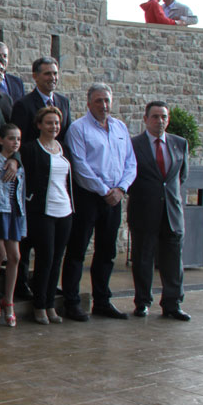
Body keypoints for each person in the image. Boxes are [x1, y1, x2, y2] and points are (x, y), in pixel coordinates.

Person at [63, 83, 137, 321]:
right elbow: (80, 166)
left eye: (107, 100)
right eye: (98, 101)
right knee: (77, 250)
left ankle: (102, 301)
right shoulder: (78, 129)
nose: (104, 105)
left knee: (107, 251)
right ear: (88, 103)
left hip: (115, 197)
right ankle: (72, 302)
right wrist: (105, 190)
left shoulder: (120, 127)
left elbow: (131, 162)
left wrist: (121, 189)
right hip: (89, 197)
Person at [128, 101, 191, 320]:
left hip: (171, 212)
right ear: (145, 119)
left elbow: (180, 177)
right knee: (143, 259)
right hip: (144, 211)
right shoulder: (134, 145)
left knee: (173, 260)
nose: (160, 121)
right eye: (155, 117)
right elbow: (130, 176)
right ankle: (143, 302)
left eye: (163, 117)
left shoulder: (180, 144)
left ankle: (173, 304)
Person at [20, 106, 73, 326]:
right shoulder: (31, 149)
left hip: (65, 209)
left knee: (57, 259)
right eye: (49, 123)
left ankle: (51, 303)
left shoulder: (63, 149)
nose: (54, 127)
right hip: (42, 211)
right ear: (39, 125)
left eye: (57, 123)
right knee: (45, 258)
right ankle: (39, 305)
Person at [0, 124, 26, 326]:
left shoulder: (19, 165)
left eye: (17, 139)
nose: (15, 143)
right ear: (1, 140)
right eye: (11, 138)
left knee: (15, 256)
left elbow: (21, 194)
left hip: (13, 212)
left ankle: (8, 300)